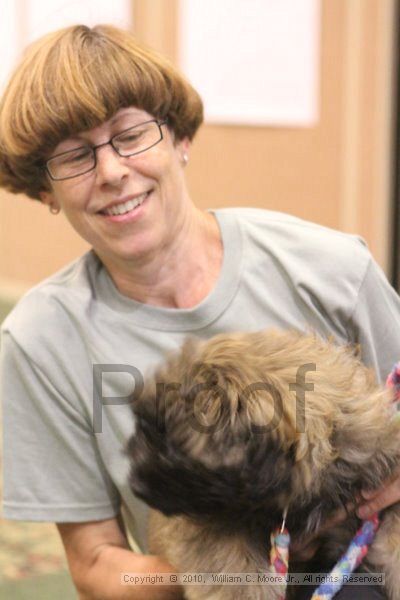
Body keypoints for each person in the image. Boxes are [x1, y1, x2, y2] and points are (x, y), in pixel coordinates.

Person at [0, 24, 399, 600]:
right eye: (74, 156)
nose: (112, 172)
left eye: (131, 135)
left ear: (180, 140)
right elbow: (94, 565)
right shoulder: (39, 340)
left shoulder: (329, 268)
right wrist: (239, 576)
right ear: (46, 191)